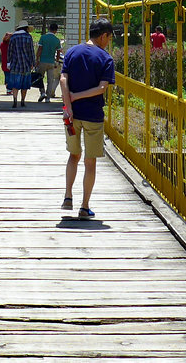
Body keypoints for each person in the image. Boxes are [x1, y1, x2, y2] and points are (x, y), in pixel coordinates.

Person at [60, 17, 116, 220]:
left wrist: (69, 104)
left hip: (71, 115)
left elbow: (63, 79)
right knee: (90, 161)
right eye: (109, 37)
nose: (108, 41)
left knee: (73, 156)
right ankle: (84, 206)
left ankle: (67, 196)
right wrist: (77, 96)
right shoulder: (105, 58)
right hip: (93, 115)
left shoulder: (73, 51)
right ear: (103, 36)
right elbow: (101, 88)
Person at [5, 21, 36, 107]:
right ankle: (22, 101)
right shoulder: (28, 37)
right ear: (26, 28)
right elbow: (31, 51)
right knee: (24, 84)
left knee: (15, 83)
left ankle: (15, 100)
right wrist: (33, 62)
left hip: (15, 64)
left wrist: (8, 62)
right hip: (26, 64)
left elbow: (10, 51)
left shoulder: (13, 37)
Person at [37, 23, 63, 102]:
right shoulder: (57, 40)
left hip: (42, 61)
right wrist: (57, 62)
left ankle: (42, 92)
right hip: (51, 62)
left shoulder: (43, 37)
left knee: (40, 78)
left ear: (49, 28)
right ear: (56, 30)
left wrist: (37, 59)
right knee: (50, 80)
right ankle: (48, 97)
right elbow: (58, 52)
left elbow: (40, 49)